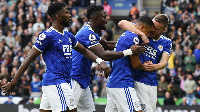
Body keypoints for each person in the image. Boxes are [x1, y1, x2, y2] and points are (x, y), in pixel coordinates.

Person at [2, 2, 110, 112]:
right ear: (58, 16)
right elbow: (28, 59)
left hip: (55, 83)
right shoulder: (47, 36)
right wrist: (14, 81)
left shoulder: (68, 36)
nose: (70, 15)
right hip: (57, 82)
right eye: (67, 12)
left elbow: (84, 50)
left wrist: (99, 61)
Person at [70, 5, 147, 112]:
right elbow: (103, 55)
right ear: (96, 19)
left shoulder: (91, 32)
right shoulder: (86, 33)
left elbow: (106, 45)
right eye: (104, 17)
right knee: (67, 109)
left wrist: (126, 43)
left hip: (83, 79)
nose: (107, 19)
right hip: (74, 78)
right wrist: (130, 51)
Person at [118, 14, 172, 112]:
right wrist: (142, 34)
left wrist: (154, 67)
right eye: (152, 25)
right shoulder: (142, 32)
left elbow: (164, 62)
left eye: (155, 28)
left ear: (163, 30)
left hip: (152, 82)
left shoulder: (166, 42)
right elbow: (121, 23)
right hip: (138, 79)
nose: (151, 30)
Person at [106, 15, 154, 112]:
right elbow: (135, 64)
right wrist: (145, 67)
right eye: (148, 32)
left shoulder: (127, 34)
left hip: (113, 82)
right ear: (142, 27)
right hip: (123, 82)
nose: (148, 35)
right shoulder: (134, 38)